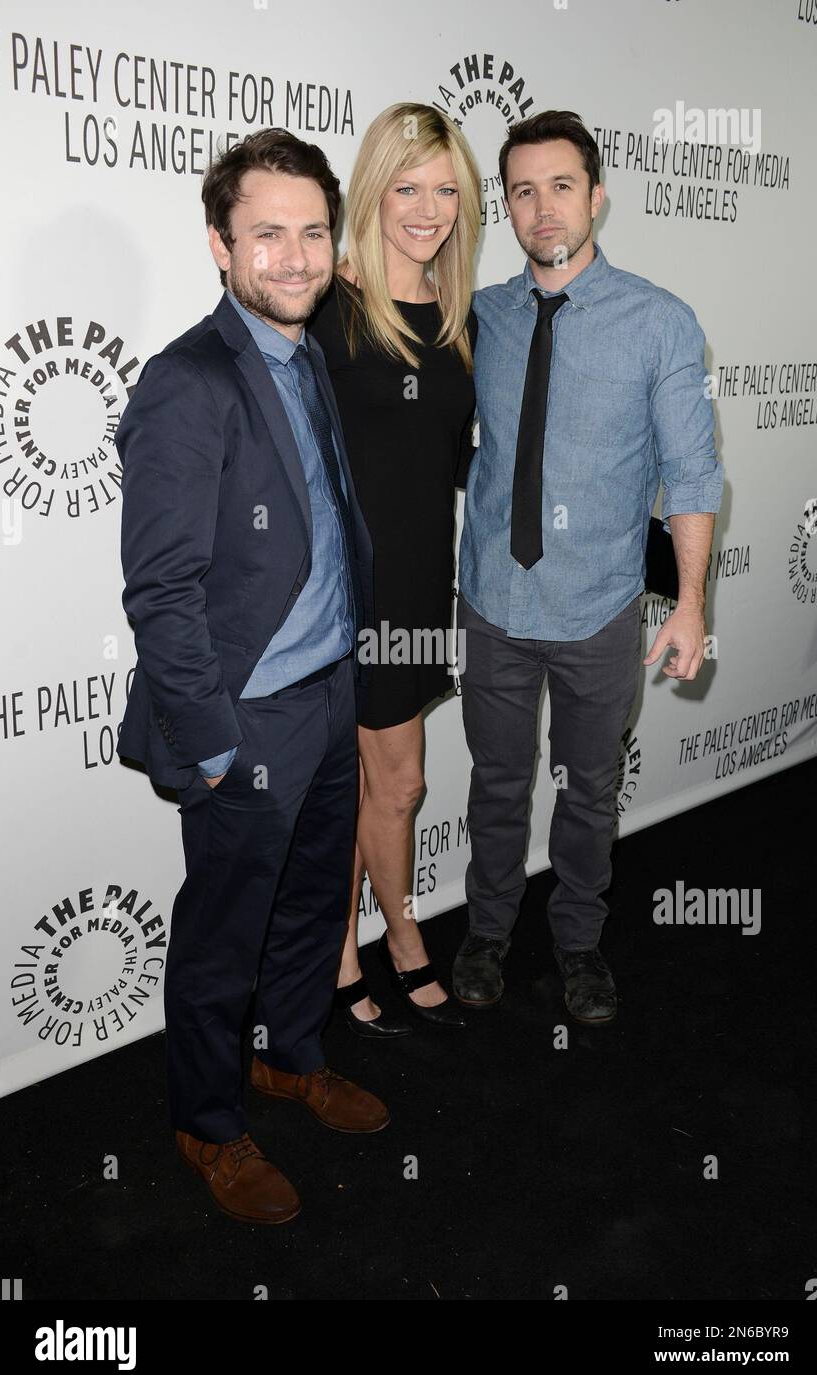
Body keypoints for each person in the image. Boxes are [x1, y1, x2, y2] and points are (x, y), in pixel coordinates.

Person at [116, 128, 388, 1226]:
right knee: (225, 927)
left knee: (313, 904)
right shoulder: (186, 382)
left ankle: (290, 1057)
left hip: (326, 697)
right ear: (220, 245)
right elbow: (161, 591)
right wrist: (219, 744)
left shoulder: (306, 349)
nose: (293, 255)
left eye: (312, 231)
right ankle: (208, 1122)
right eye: (265, 233)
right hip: (246, 720)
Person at [453, 111, 723, 1024]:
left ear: (596, 196)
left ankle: (577, 942)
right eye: (523, 190)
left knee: (589, 788)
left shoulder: (660, 323)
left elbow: (690, 473)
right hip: (492, 599)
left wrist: (688, 605)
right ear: (509, 206)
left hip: (600, 608)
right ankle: (487, 930)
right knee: (494, 783)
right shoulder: (480, 317)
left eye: (561, 185)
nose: (543, 207)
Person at [308, 103, 479, 1035]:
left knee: (402, 785)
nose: (427, 208)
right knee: (345, 779)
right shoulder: (327, 306)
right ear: (372, 190)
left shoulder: (458, 321)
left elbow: (456, 465)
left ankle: (401, 922)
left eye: (446, 189)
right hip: (344, 590)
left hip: (419, 584)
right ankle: (341, 947)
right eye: (407, 187)